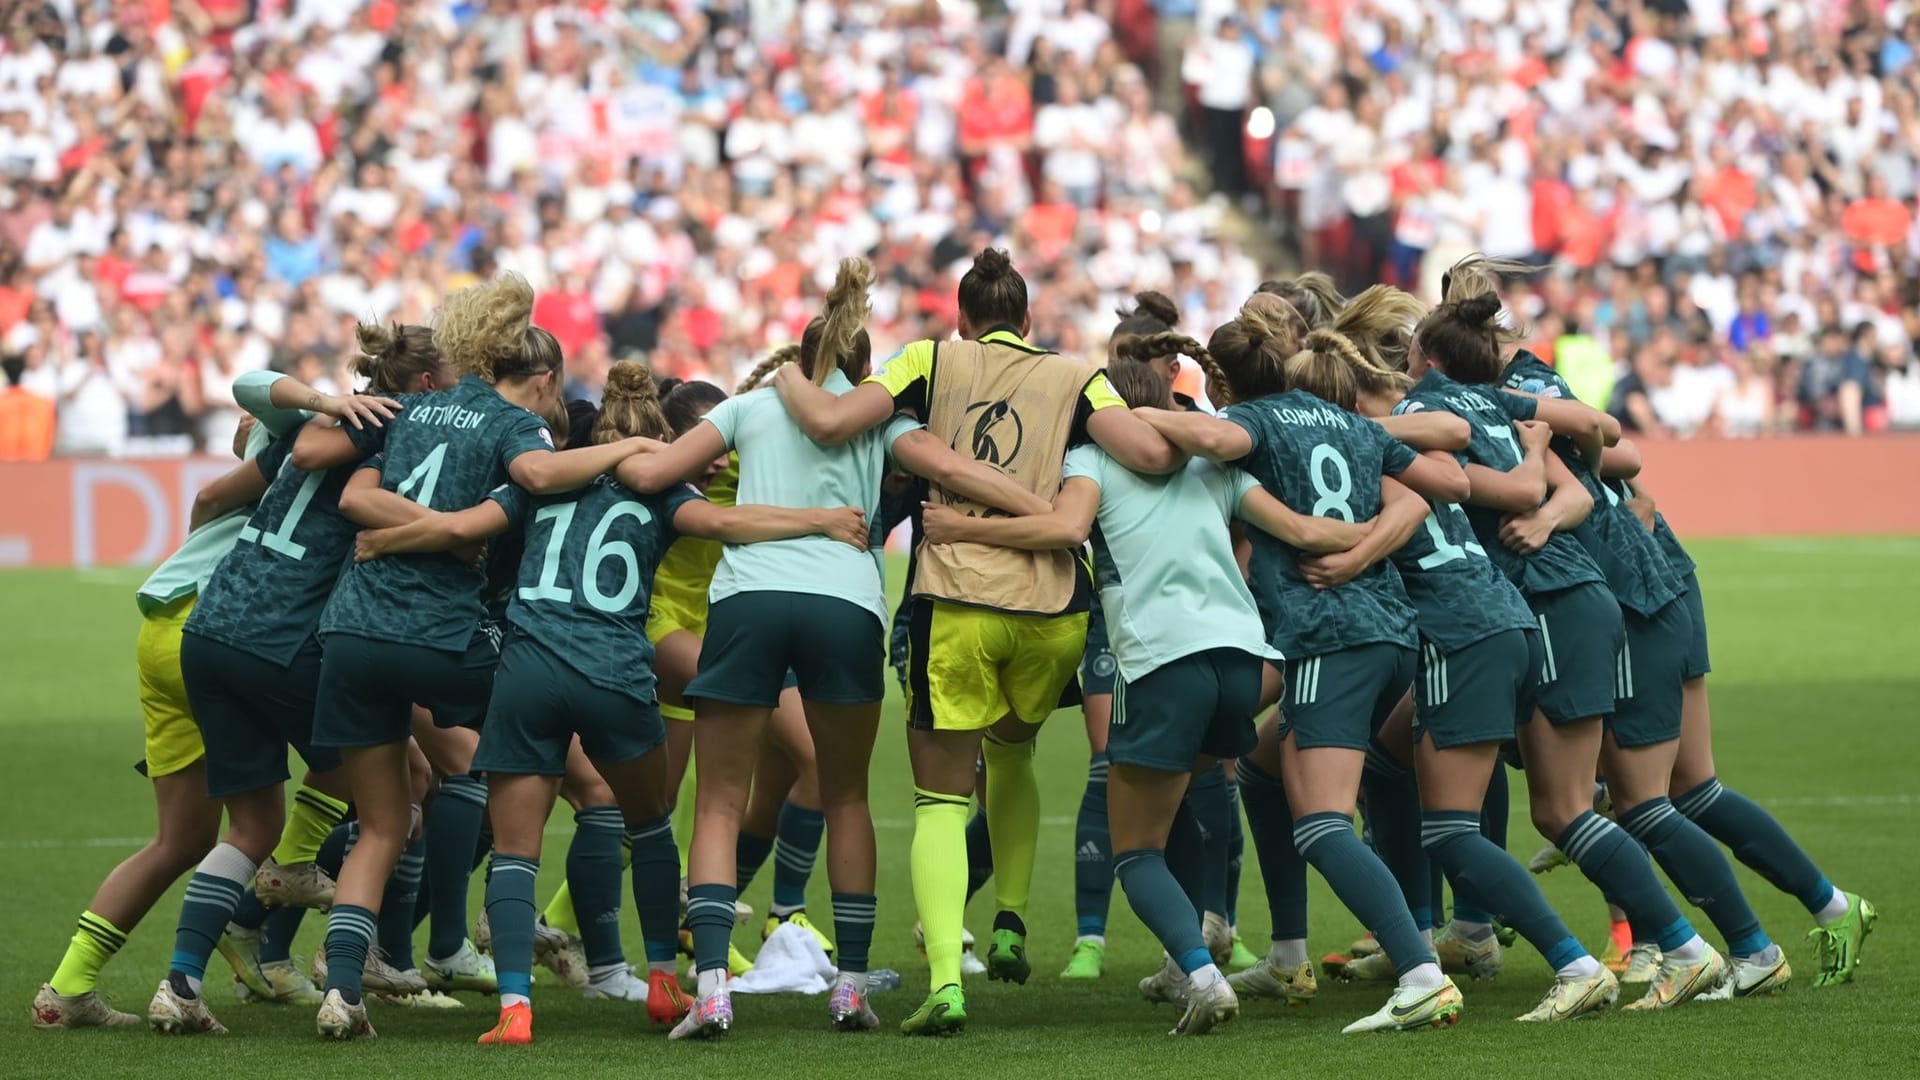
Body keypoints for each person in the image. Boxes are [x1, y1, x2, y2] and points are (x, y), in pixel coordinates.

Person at [349, 361, 864, 1045]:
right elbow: (725, 523)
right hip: (616, 674)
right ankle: (661, 980)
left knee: (513, 852)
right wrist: (822, 520)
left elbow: (460, 526)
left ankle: (514, 1010)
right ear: (655, 439)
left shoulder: (541, 481)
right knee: (648, 826)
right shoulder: (661, 491)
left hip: (529, 671)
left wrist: (386, 538)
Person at [617, 259, 1056, 1039]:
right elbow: (955, 468)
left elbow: (652, 472)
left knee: (717, 800)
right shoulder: (884, 424)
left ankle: (713, 989)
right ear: (861, 374)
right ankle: (850, 986)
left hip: (748, 598)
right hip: (847, 602)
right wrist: (1042, 510)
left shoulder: (748, 407)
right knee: (847, 795)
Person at [770, 248, 1181, 1035]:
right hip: (1055, 603)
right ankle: (1011, 922)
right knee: (1017, 753)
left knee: (940, 798)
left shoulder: (928, 357)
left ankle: (943, 986)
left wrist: (787, 373)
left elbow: (828, 422)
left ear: (962, 318)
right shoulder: (1076, 377)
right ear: (1028, 321)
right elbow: (1153, 454)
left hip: (957, 595)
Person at [923, 359, 1368, 1035]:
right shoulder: (1211, 468)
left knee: (1134, 848)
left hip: (1163, 663)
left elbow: (1065, 530)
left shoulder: (1090, 459)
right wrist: (1377, 540)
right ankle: (1189, 946)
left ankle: (1202, 973)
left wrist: (964, 530)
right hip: (1243, 662)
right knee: (1181, 801)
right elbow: (1304, 531)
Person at [291, 274, 654, 1040]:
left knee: (385, 822)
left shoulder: (414, 407)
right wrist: (631, 446)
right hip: (442, 640)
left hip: (352, 630)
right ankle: (519, 927)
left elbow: (356, 487)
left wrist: (392, 534)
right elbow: (527, 482)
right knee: (562, 743)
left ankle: (346, 990)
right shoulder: (509, 421)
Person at [1135, 298, 1480, 1034]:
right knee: (1262, 767)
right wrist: (1371, 471)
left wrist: (1126, 413)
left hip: (1327, 633)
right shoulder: (1347, 420)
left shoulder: (1254, 423)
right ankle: (1291, 953)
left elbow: (1208, 439)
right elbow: (1450, 483)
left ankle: (1422, 972)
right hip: (1392, 632)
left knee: (1322, 824)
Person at [1403, 266, 1734, 1011]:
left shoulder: (1431, 409)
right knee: (1569, 800)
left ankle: (1679, 946)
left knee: (1566, 809)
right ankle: (1686, 945)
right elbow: (1580, 475)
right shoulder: (1500, 402)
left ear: (1425, 358)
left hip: (1551, 602)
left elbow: (1581, 464)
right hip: (1558, 602)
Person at [34, 372, 388, 1029]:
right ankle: (294, 867)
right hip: (232, 624)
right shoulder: (351, 455)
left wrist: (197, 551)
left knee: (182, 838)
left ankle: (68, 985)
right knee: (374, 765)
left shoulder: (288, 447)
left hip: (164, 626)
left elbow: (210, 486)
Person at [143, 330, 449, 1035]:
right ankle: (345, 985)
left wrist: (318, 401)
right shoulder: (397, 438)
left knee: (252, 824)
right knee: (397, 797)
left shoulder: (320, 425)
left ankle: (181, 984)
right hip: (285, 641)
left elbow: (252, 389)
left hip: (211, 631)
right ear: (428, 386)